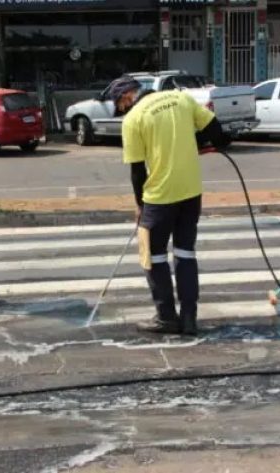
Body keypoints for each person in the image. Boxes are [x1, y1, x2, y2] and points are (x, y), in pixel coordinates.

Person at [111, 76, 230, 336]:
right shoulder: (182, 98)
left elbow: (137, 172)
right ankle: (189, 318)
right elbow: (217, 133)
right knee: (185, 253)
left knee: (152, 255)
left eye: (121, 106)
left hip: (159, 197)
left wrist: (140, 206)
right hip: (191, 194)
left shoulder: (134, 119)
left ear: (127, 96)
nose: (123, 111)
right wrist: (198, 145)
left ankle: (166, 317)